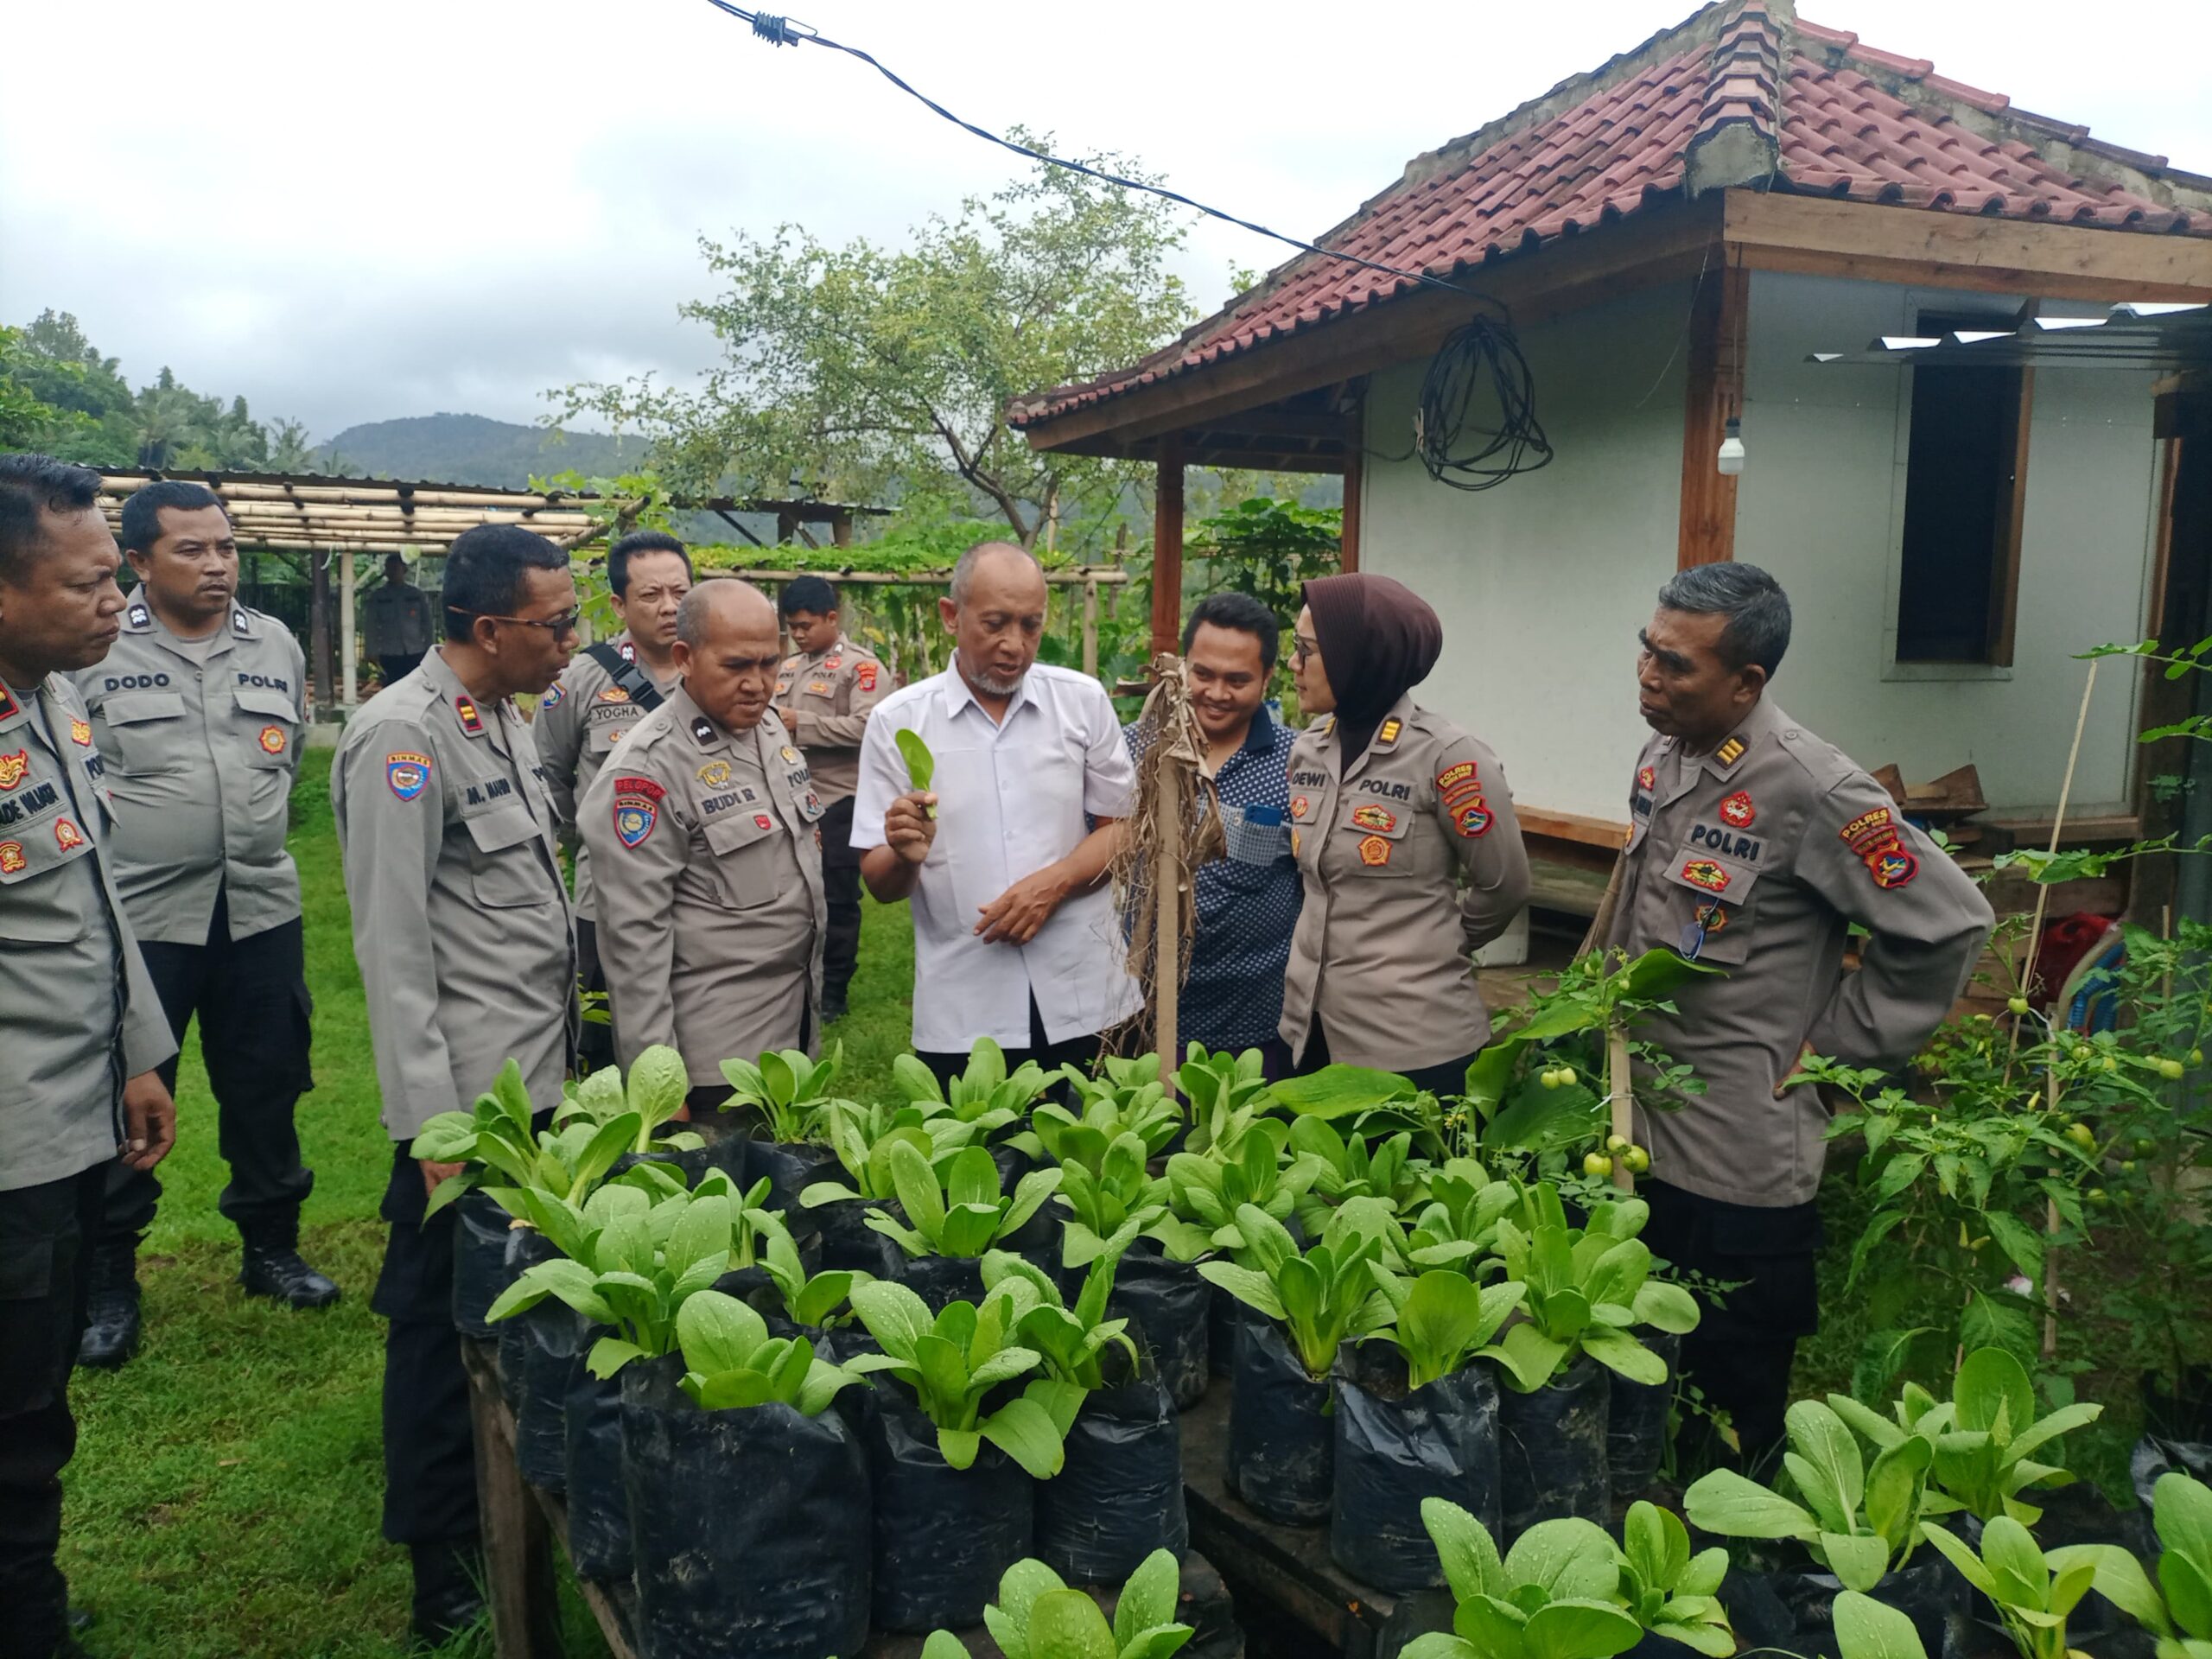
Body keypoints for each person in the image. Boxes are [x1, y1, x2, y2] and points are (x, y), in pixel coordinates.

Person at [1603, 561, 1993, 1469]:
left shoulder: (1816, 789)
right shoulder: (1663, 757)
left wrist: (1834, 1057)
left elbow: (1948, 923)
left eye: (1677, 665)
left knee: (1732, 1386)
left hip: (1741, 1141)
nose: (1649, 678)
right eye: (1646, 652)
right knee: (1641, 1355)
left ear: (1747, 682)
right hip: (1640, 1120)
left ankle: (1738, 1560)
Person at [331, 523, 578, 1645]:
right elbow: (393, 948)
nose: (575, 639)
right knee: (437, 1334)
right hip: (467, 1111)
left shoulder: (500, 719)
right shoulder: (404, 738)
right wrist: (431, 1122)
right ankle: (442, 1566)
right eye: (559, 622)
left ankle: (503, 1512)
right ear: (491, 630)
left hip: (534, 1092)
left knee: (506, 1315)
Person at [67, 481, 333, 1373]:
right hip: (144, 916)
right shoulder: (97, 649)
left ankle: (271, 1246)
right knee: (128, 1098)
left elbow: (285, 758)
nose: (217, 564)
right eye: (192, 550)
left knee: (266, 1083)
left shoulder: (275, 644)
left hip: (259, 906)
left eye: (225, 547)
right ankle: (109, 1275)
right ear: (138, 561)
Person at [0, 454, 179, 1659]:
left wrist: (141, 1052)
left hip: (70, 1116)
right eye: (88, 584)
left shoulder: (52, 698)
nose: (116, 602)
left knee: (35, 1398)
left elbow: (92, 897)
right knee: (13, 1421)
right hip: (10, 1148)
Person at [854, 541, 1139, 1090]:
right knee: (979, 1167)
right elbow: (881, 883)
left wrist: (1054, 883)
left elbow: (1123, 828)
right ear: (950, 616)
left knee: (1100, 1162)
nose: (1015, 645)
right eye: (995, 624)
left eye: (1031, 625)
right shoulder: (899, 721)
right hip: (965, 1005)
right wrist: (906, 855)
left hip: (1086, 991)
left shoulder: (1080, 701)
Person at [1280, 572, 1531, 1093]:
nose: (1292, 664)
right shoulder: (1308, 749)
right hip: (1311, 1031)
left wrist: (1433, 945)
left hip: (1414, 1044)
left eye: (1306, 650)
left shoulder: (1448, 757)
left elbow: (1504, 885)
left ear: (1360, 655)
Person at [584, 581, 825, 1104]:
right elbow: (634, 951)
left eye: (769, 663)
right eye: (736, 666)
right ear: (684, 658)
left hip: (794, 1037)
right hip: (712, 1065)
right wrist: (660, 1093)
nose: (758, 684)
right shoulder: (647, 771)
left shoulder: (767, 730)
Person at [1123, 593, 1300, 1076]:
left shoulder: (1297, 764)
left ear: (1267, 680)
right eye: (1203, 674)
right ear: (1182, 668)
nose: (1217, 693)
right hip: (1141, 1013)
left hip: (1256, 1024)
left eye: (1237, 680)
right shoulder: (1136, 748)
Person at [535, 531, 691, 1071]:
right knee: (605, 1051)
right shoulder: (582, 678)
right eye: (651, 596)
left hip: (701, 905)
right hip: (606, 906)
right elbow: (547, 779)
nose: (669, 606)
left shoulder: (717, 672)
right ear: (621, 605)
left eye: (680, 592)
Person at [773, 575, 888, 1022]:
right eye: (792, 628)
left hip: (840, 800)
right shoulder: (786, 668)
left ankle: (835, 990)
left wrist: (799, 722)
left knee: (838, 897)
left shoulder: (860, 669)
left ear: (831, 618)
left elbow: (869, 728)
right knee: (794, 895)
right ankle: (799, 980)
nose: (799, 635)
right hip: (791, 798)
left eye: (806, 626)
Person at [361, 552, 433, 686]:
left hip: (415, 650)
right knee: (392, 687)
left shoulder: (416, 595)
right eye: (389, 569)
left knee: (415, 686)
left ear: (404, 570)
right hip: (390, 651)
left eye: (396, 568)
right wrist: (371, 651)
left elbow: (427, 624)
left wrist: (429, 647)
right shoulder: (379, 597)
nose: (392, 572)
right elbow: (371, 625)